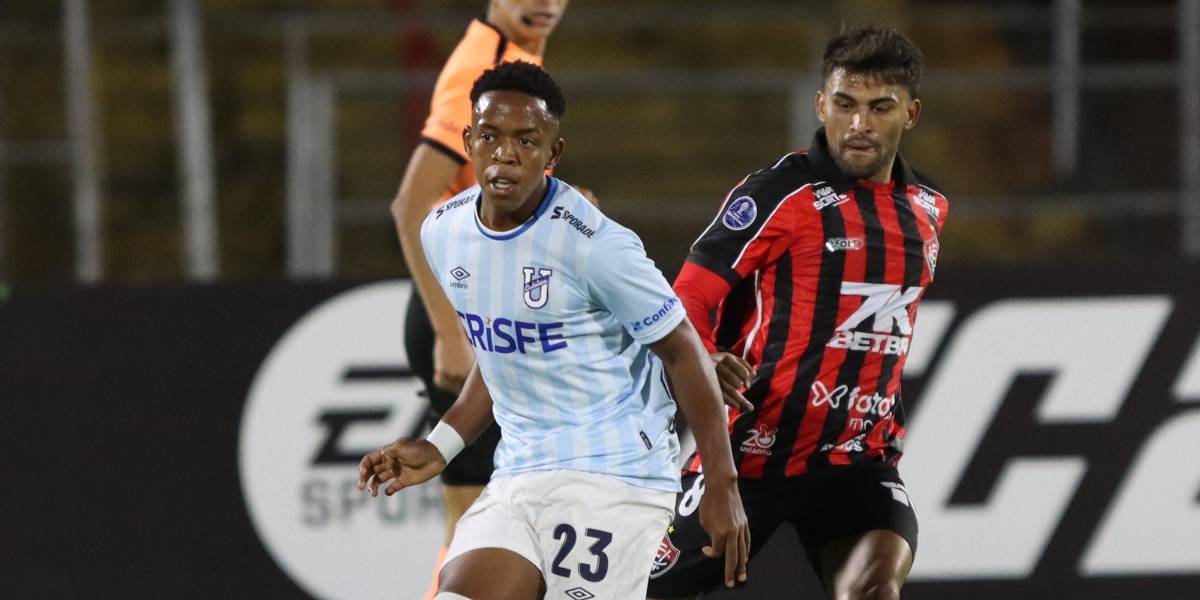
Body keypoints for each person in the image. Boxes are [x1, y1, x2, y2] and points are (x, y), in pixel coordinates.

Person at [361, 61, 751, 600]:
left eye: (526, 139)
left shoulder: (596, 244)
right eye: (491, 136)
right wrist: (440, 446)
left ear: (553, 153)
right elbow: (499, 356)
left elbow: (683, 351)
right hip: (518, 476)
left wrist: (720, 483)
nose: (506, 153)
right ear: (469, 140)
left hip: (616, 480)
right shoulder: (443, 233)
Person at [647, 27, 948, 600]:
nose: (859, 124)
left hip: (858, 461)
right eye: (845, 105)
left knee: (873, 588)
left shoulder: (929, 208)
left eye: (879, 107)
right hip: (753, 454)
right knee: (636, 590)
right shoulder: (777, 194)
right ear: (820, 105)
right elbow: (688, 296)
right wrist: (706, 354)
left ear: (910, 114)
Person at [389, 3, 573, 597]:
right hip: (466, 310)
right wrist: (450, 331)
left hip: (487, 301)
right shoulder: (485, 65)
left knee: (492, 513)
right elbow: (411, 201)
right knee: (481, 515)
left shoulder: (517, 58)